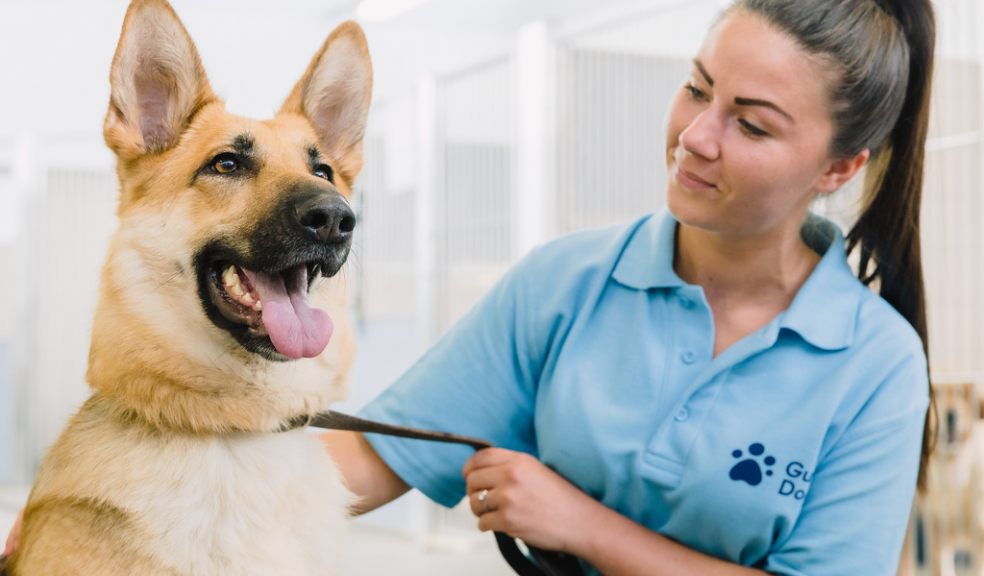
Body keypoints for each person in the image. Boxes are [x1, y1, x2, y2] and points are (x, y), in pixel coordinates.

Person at [6, 0, 936, 574]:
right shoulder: (564, 285)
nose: (696, 135)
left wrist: (580, 525)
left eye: (753, 124)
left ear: (839, 165)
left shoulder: (878, 365)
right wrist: (73, 520)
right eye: (697, 90)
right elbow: (360, 469)